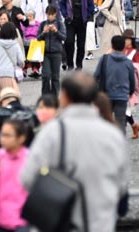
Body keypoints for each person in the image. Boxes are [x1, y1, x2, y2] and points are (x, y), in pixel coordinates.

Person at [22, 72, 131, 231]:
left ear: (64, 97)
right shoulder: (113, 135)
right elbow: (122, 184)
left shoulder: (53, 132)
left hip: (62, 220)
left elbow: (27, 177)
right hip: (101, 222)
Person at [0, 117, 32, 232]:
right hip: (1, 217)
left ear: (21, 138)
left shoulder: (30, 159)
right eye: (2, 134)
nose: (2, 139)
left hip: (23, 219)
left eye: (7, 135)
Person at [95, 34, 139, 139]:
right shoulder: (128, 63)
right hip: (122, 96)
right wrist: (130, 92)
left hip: (106, 95)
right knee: (121, 121)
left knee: (105, 120)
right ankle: (120, 145)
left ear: (112, 46)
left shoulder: (104, 59)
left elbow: (96, 76)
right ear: (123, 46)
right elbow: (132, 81)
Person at [38, 5, 66, 96]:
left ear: (55, 14)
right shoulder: (42, 24)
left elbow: (64, 37)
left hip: (56, 53)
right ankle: (45, 96)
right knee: (45, 75)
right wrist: (43, 32)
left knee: (55, 77)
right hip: (45, 53)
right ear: (46, 14)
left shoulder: (60, 23)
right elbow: (37, 38)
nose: (50, 17)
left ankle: (55, 97)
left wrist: (56, 31)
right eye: (48, 14)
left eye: (52, 15)